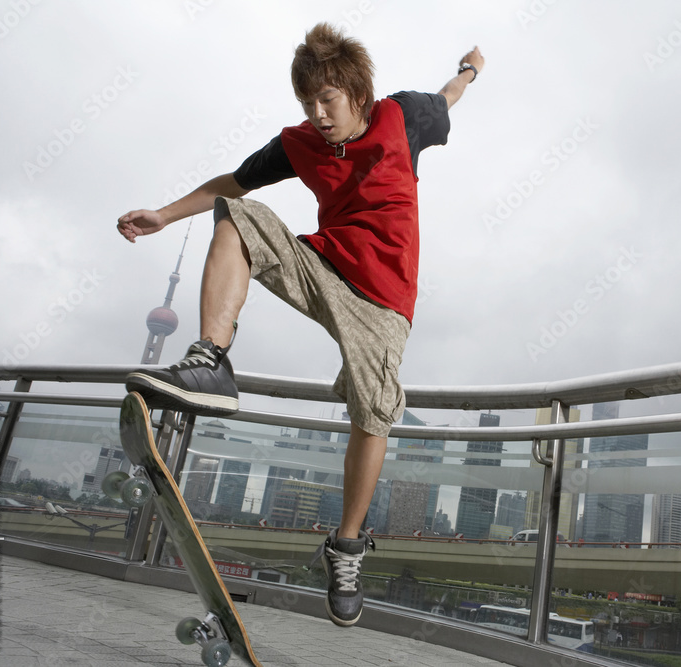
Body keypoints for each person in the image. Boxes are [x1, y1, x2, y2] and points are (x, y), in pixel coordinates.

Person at [116, 22, 484, 627]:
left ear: (358, 94)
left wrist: (470, 69)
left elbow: (448, 97)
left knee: (373, 410)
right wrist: (164, 213)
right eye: (307, 103)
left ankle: (344, 549)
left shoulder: (404, 117)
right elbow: (227, 185)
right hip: (322, 266)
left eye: (328, 101)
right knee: (242, 215)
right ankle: (210, 359)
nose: (317, 115)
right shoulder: (297, 143)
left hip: (384, 301)